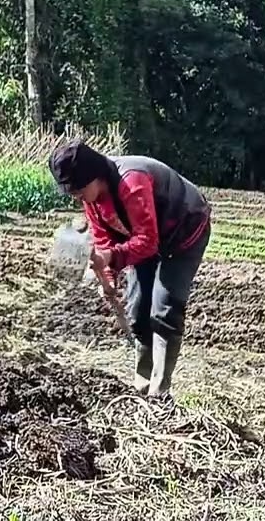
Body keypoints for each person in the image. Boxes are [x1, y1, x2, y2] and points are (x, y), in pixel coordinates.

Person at [48, 140, 211, 398]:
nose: (75, 196)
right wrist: (108, 274)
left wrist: (111, 256)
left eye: (77, 189)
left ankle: (159, 390)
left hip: (183, 231)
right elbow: (103, 239)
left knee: (165, 308)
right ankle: (142, 382)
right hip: (145, 238)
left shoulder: (131, 182)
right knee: (138, 308)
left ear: (94, 176)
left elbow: (147, 242)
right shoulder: (92, 199)